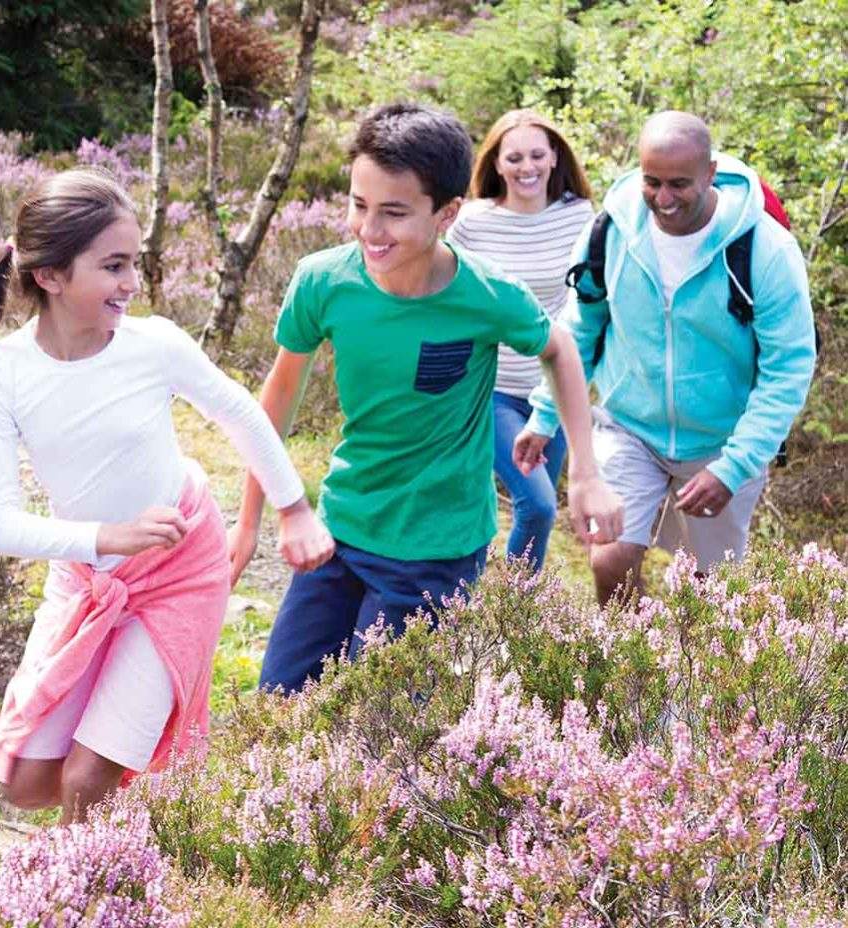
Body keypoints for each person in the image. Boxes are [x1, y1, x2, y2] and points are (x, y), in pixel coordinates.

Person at [0, 167, 334, 822]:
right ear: (51, 276)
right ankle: (144, 811)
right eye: (114, 265)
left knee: (89, 776)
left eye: (136, 263)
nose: (132, 283)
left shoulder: (154, 345)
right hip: (86, 574)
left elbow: (241, 415)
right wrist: (104, 539)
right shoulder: (5, 373)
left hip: (181, 567)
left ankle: (83, 889)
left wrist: (293, 509)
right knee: (26, 779)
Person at [228, 103, 624, 695]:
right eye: (359, 205)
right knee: (280, 702)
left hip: (437, 551)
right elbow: (278, 400)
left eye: (393, 213)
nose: (369, 230)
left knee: (380, 727)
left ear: (447, 213)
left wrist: (586, 474)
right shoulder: (323, 281)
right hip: (343, 529)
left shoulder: (485, 295)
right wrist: (251, 521)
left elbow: (560, 350)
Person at [522, 111, 816, 606]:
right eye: (651, 181)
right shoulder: (612, 232)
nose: (663, 198)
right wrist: (544, 414)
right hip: (628, 426)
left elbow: (788, 368)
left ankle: (697, 677)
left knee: (713, 591)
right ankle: (629, 672)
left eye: (679, 184)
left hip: (723, 440)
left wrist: (734, 465)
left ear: (710, 172)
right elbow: (577, 330)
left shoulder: (764, 249)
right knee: (609, 557)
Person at [447, 110, 595, 568]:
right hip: (490, 391)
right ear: (496, 164)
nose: (526, 167)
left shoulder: (580, 216)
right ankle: (475, 607)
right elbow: (443, 288)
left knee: (538, 514)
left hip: (554, 391)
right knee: (539, 503)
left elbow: (591, 305)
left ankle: (514, 623)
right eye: (514, 157)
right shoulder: (473, 222)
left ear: (554, 158)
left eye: (536, 155)